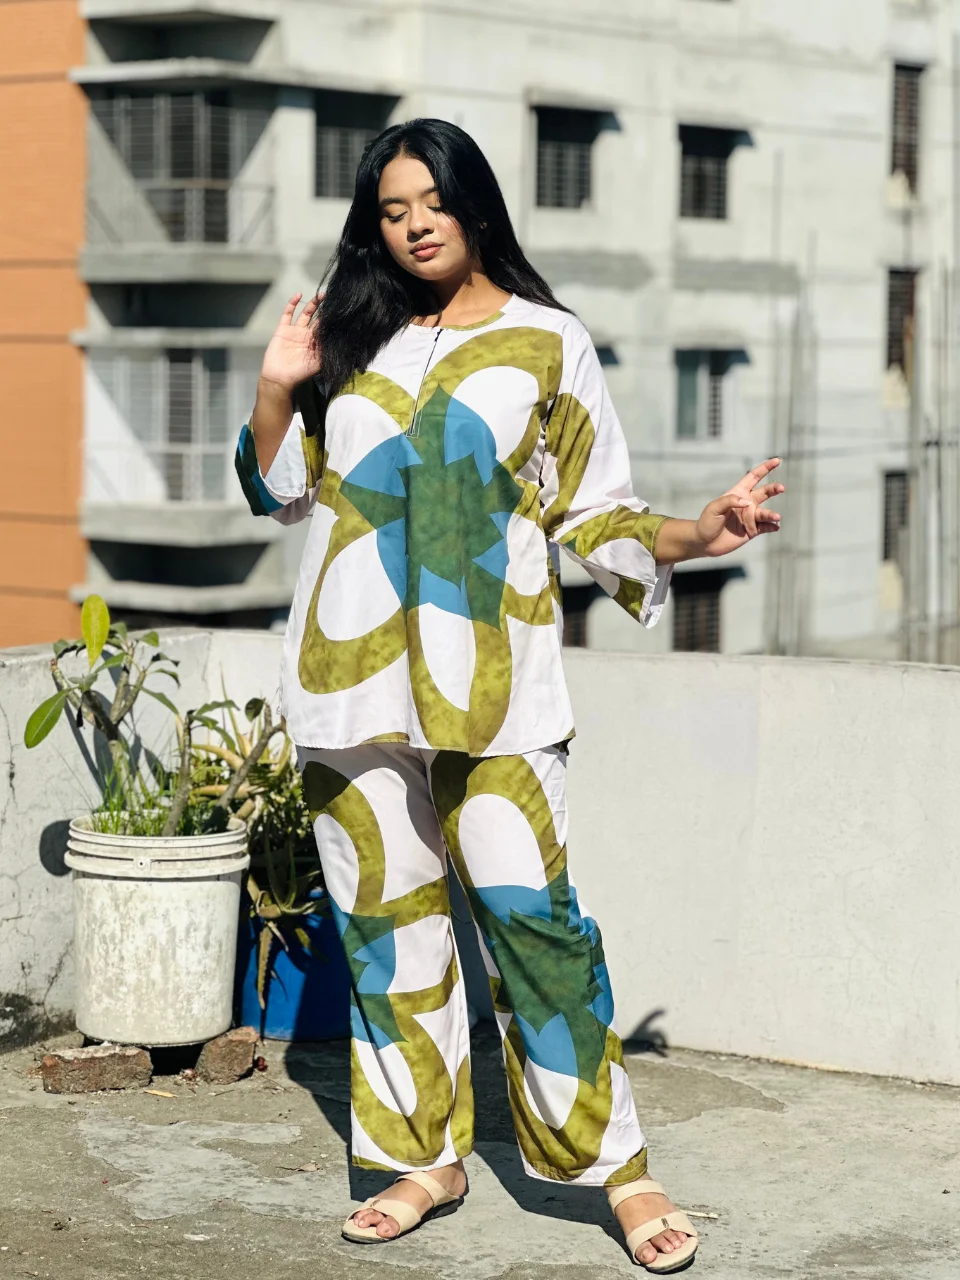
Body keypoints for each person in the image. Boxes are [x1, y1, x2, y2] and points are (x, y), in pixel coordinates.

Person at [236, 118, 783, 1273]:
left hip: (495, 689)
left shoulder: (548, 340)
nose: (415, 224)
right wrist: (278, 387)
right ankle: (421, 1158)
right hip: (349, 684)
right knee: (387, 933)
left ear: (474, 204)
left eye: (433, 201)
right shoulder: (351, 335)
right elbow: (277, 490)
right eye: (392, 210)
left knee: (536, 927)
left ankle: (620, 1170)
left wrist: (701, 532)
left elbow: (594, 511)